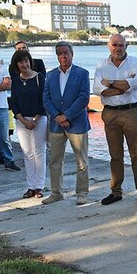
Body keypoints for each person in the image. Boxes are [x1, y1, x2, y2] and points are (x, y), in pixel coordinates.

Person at [93, 34, 137, 205]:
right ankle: (115, 192)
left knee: (136, 154)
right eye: (114, 45)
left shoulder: (135, 62)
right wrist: (121, 87)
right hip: (110, 113)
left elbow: (134, 84)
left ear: (126, 46)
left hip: (131, 112)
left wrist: (110, 83)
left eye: (121, 45)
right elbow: (97, 89)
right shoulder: (102, 65)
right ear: (108, 46)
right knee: (115, 155)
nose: (118, 48)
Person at [42, 42, 90, 205]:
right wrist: (57, 116)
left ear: (72, 54)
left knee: (81, 161)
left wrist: (67, 116)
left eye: (66, 53)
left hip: (76, 124)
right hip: (56, 125)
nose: (63, 56)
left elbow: (83, 98)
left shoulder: (82, 73)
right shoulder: (50, 75)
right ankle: (56, 193)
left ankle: (82, 193)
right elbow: (46, 98)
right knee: (55, 161)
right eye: (60, 53)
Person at [10, 49, 47, 199]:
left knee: (39, 152)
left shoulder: (39, 78)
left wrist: (35, 119)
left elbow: (43, 100)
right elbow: (14, 102)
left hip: (39, 119)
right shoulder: (15, 80)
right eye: (21, 62)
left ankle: (40, 186)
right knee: (27, 153)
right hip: (21, 120)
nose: (24, 64)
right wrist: (23, 120)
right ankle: (30, 186)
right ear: (16, 64)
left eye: (26, 61)